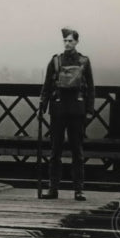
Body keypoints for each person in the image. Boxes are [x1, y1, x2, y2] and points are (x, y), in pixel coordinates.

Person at [38, 27, 95, 200]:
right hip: (58, 109)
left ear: (77, 42)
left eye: (71, 41)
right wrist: (42, 106)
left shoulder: (84, 61)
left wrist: (89, 110)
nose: (67, 43)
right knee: (55, 150)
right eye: (65, 41)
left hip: (77, 111)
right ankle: (53, 188)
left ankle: (79, 189)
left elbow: (91, 87)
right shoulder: (55, 61)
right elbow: (47, 85)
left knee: (77, 150)